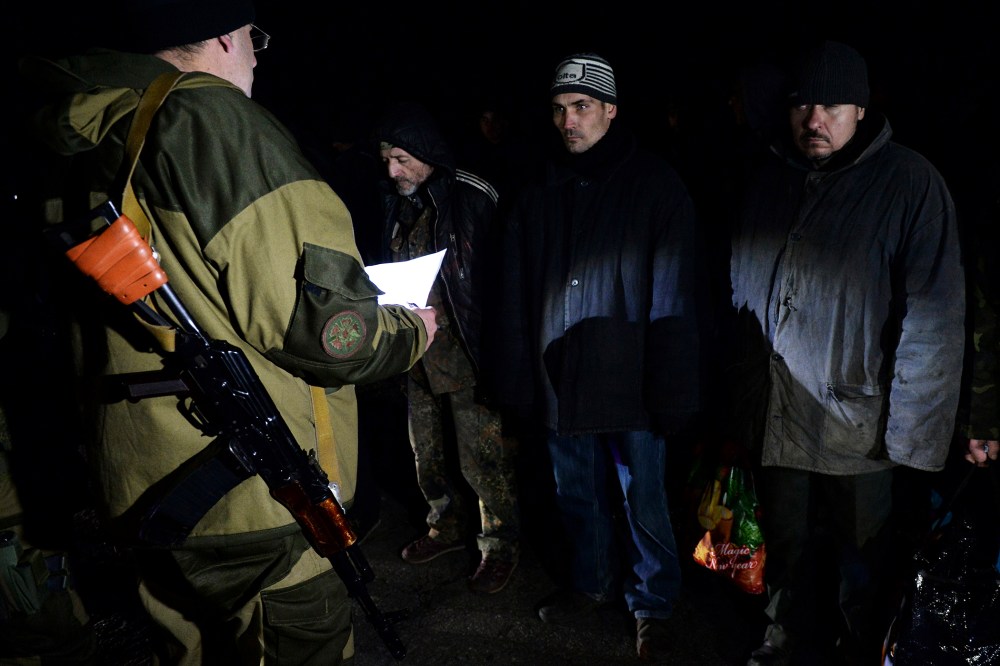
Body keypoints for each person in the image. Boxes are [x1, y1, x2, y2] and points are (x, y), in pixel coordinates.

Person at [16, 1, 437, 664]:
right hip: (259, 505)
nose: (256, 52)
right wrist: (411, 332)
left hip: (140, 492)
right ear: (220, 33)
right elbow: (330, 333)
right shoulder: (213, 121)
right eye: (251, 35)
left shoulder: (84, 132)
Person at [728, 40, 965, 665]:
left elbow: (934, 318)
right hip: (778, 416)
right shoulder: (771, 178)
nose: (816, 119)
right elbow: (740, 290)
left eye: (833, 104)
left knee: (863, 562)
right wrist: (742, 395)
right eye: (804, 103)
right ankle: (783, 644)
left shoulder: (910, 183)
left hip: (857, 426)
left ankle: (860, 651)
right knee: (784, 546)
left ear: (861, 109)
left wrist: (914, 436)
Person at [499, 53, 702, 662]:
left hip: (631, 383)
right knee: (577, 494)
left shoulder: (656, 185)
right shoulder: (537, 191)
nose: (570, 121)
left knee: (643, 498)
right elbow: (514, 288)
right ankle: (591, 584)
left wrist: (672, 390)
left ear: (611, 110)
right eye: (560, 109)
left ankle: (654, 603)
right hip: (560, 378)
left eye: (583, 107)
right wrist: (515, 374)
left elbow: (675, 291)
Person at [371, 101, 521, 595]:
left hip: (466, 353)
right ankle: (446, 526)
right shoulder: (395, 200)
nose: (392, 170)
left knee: (483, 459)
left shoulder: (473, 196)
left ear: (427, 154)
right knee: (427, 455)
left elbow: (501, 278)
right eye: (386, 160)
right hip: (416, 354)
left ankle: (500, 546)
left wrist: (502, 351)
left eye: (401, 159)